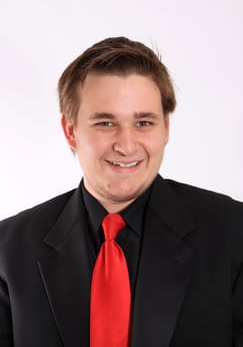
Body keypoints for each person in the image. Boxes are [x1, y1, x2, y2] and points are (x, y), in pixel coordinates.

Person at [0, 36, 243, 347]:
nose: (126, 145)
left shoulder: (233, 232)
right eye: (105, 122)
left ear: (166, 129)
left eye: (143, 122)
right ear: (70, 131)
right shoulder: (8, 250)